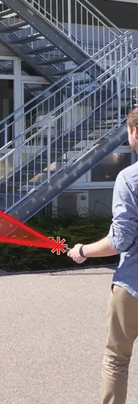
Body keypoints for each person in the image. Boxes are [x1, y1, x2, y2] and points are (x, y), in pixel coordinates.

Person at [68, 107, 138, 404]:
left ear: (136, 133)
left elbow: (120, 240)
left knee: (117, 359)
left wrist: (82, 251)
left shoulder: (130, 178)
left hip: (133, 285)